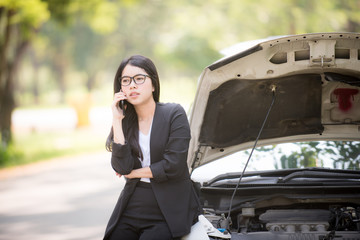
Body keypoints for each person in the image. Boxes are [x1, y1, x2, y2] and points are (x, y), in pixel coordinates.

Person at [103, 55, 201, 240]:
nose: (132, 85)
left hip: (168, 207)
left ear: (154, 84)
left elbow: (173, 165)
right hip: (133, 202)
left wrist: (134, 173)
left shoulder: (174, 113)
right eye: (125, 81)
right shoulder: (125, 121)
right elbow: (122, 167)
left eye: (139, 79)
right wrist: (117, 119)